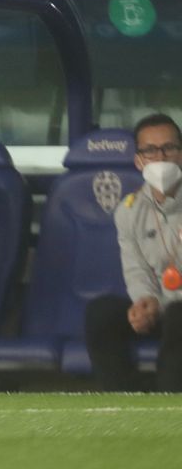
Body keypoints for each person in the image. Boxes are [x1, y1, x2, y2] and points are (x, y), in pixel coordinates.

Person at [85, 112, 182, 392]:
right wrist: (144, 303)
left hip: (177, 311)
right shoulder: (129, 210)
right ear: (139, 160)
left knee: (177, 314)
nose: (160, 157)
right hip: (162, 309)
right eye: (150, 151)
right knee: (101, 312)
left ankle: (170, 399)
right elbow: (135, 268)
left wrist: (160, 307)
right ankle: (122, 398)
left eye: (170, 148)